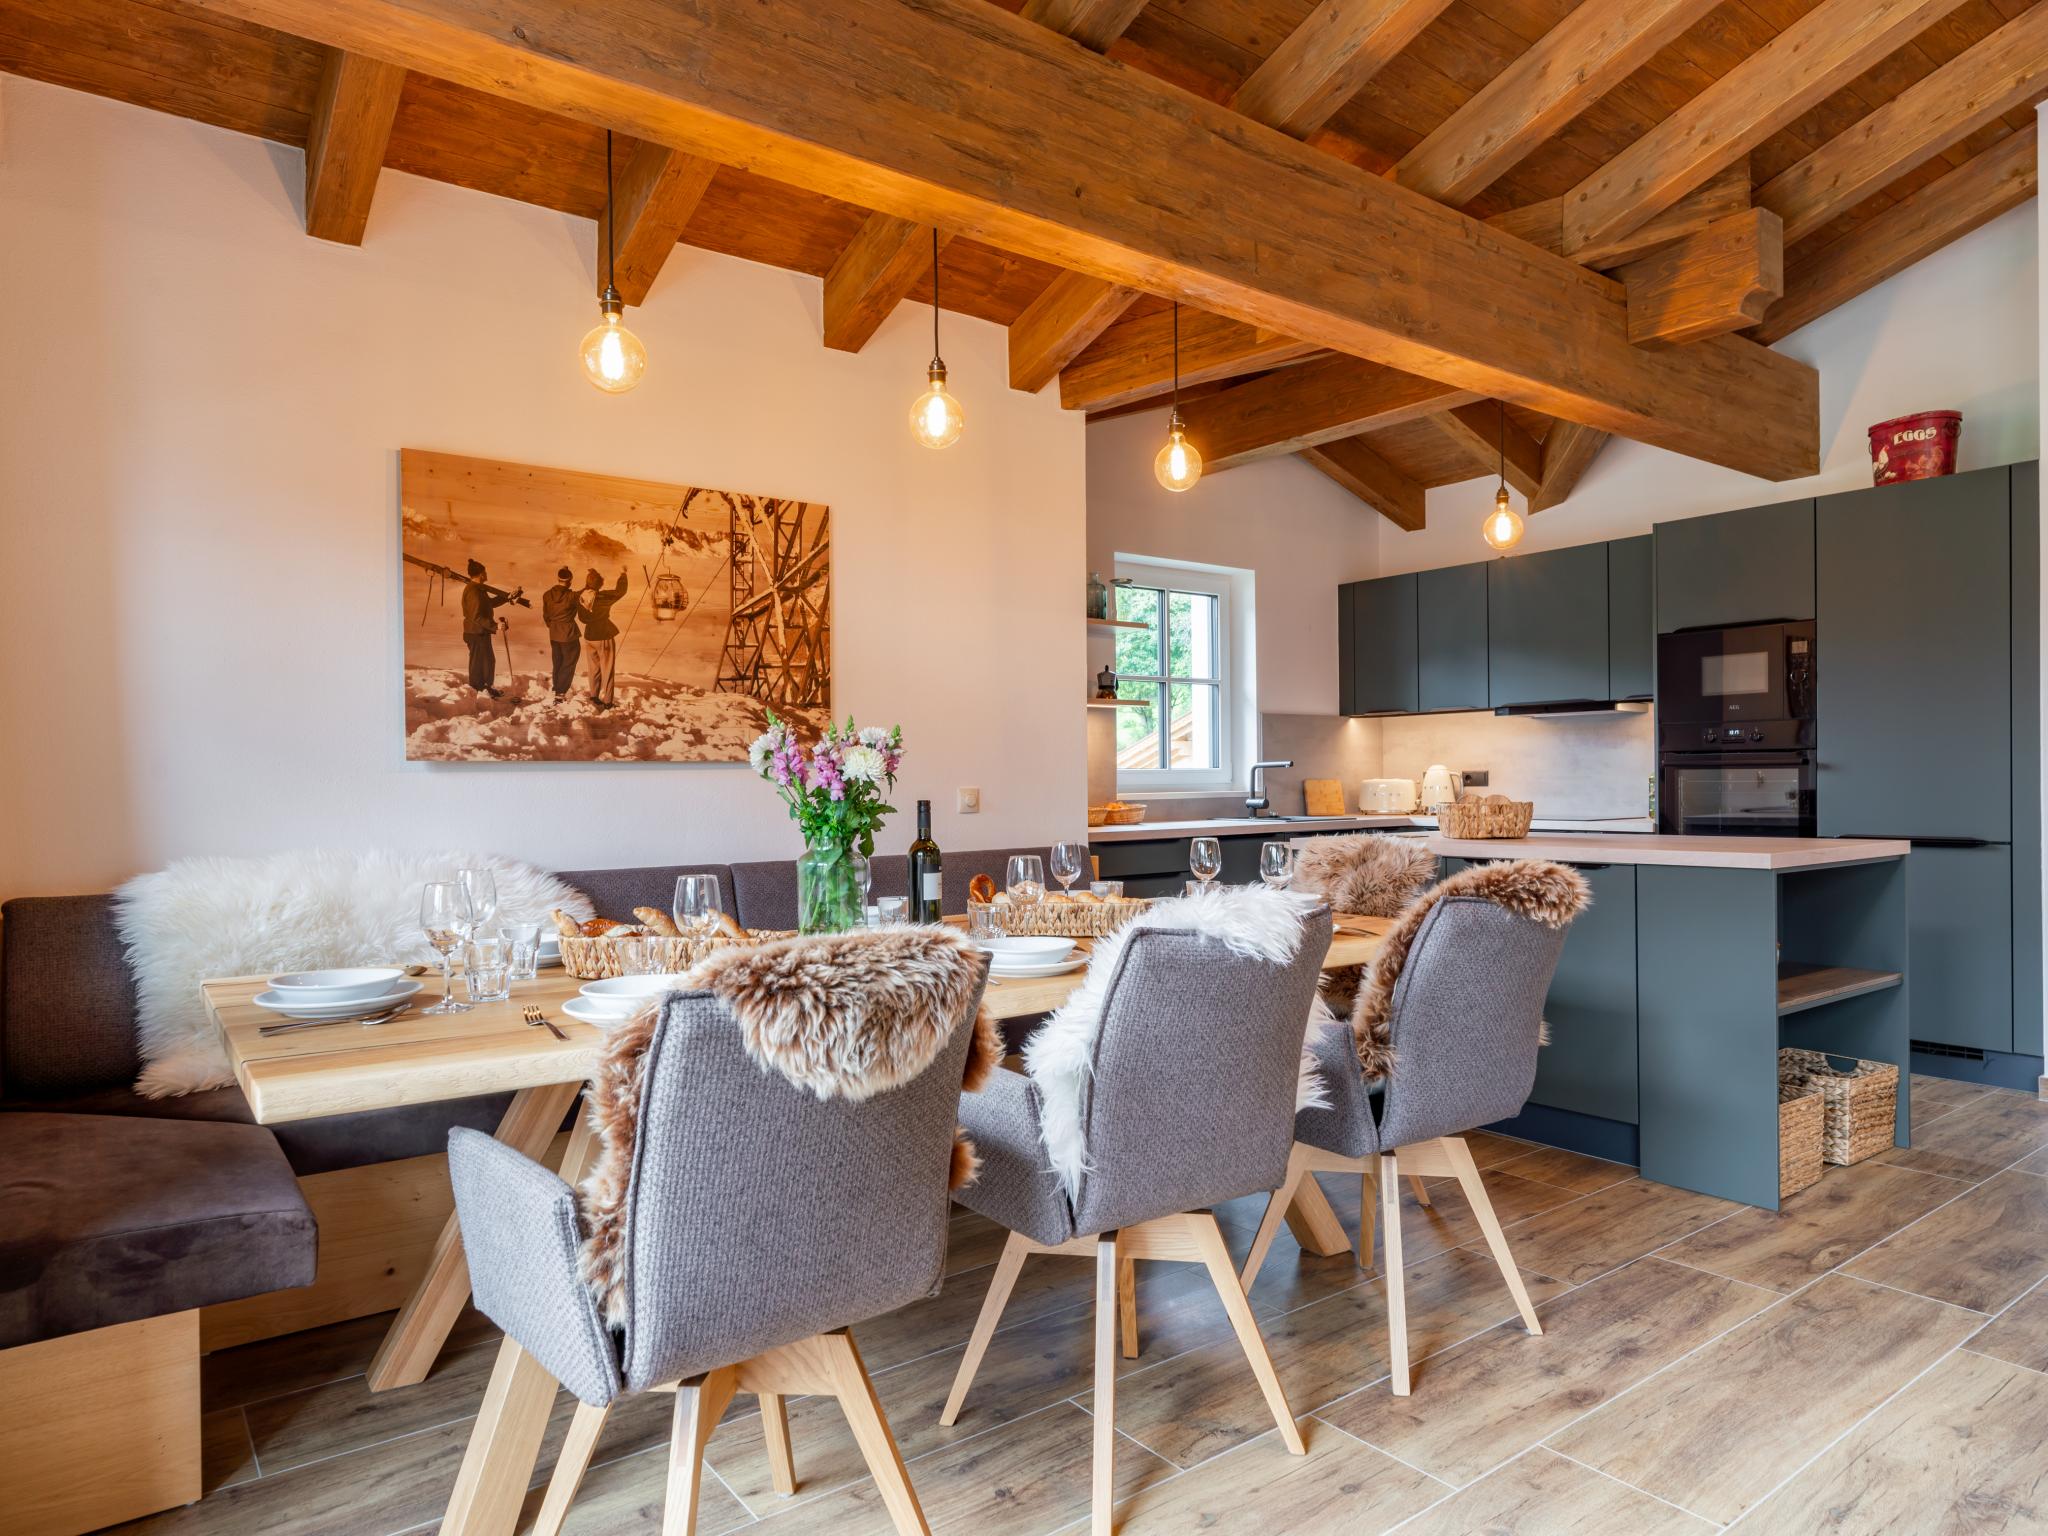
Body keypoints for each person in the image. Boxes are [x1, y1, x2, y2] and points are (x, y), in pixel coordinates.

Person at [460, 559, 521, 698]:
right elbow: (476, 617)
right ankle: (477, 690)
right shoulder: (473, 591)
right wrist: (495, 626)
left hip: (481, 631)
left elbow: (490, 603)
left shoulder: (478, 589)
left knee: (487, 660)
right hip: (475, 632)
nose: (486, 574)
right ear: (481, 574)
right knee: (478, 662)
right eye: (485, 572)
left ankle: (486, 687)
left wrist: (507, 597)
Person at [580, 568, 628, 710]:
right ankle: (608, 701)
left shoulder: (581, 597)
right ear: (600, 585)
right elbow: (620, 592)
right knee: (607, 669)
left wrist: (591, 578)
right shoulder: (603, 598)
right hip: (603, 636)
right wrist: (623, 575)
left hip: (589, 636)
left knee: (593, 668)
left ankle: (594, 695)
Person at [541, 566, 582, 698]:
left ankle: (557, 687)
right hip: (569, 634)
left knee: (557, 661)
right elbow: (584, 592)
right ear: (570, 581)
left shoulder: (547, 595)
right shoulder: (572, 596)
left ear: (558, 579)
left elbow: (546, 616)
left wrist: (553, 626)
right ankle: (561, 691)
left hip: (554, 633)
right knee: (569, 661)